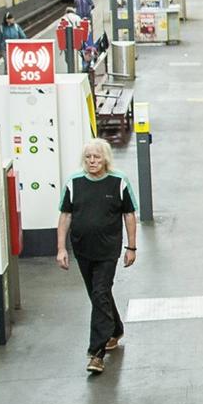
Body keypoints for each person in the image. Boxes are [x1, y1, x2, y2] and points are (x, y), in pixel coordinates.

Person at [57, 139, 138, 375]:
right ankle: (115, 329)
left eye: (97, 157)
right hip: (83, 249)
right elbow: (65, 216)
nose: (92, 162)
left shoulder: (118, 182)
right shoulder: (74, 183)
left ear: (106, 159)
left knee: (100, 292)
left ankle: (97, 352)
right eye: (88, 157)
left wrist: (131, 247)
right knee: (98, 294)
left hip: (108, 251)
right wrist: (61, 248)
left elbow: (129, 215)